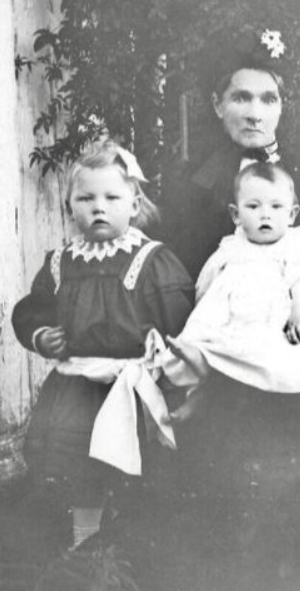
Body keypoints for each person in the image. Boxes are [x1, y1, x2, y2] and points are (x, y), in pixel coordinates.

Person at [11, 141, 194, 549]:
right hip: (76, 390)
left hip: (130, 390)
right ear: (69, 207)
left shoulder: (151, 259)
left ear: (134, 204)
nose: (99, 207)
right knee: (77, 469)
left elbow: (178, 326)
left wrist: (176, 381)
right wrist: (42, 334)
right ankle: (84, 547)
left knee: (135, 471)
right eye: (86, 198)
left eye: (112, 197)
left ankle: (131, 549)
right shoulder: (61, 263)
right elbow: (34, 308)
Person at [163, 162, 300, 418]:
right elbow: (209, 280)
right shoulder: (232, 246)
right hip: (234, 311)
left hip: (275, 314)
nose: (265, 215)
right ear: (236, 215)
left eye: (276, 207)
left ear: (291, 213)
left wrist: (298, 311)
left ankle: (204, 382)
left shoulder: (296, 242)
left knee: (275, 351)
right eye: (253, 207)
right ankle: (197, 377)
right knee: (204, 332)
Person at [160, 27, 300, 297]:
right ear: (218, 105)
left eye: (268, 99)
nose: (255, 115)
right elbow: (178, 275)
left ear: (280, 107)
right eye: (241, 98)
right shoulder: (191, 180)